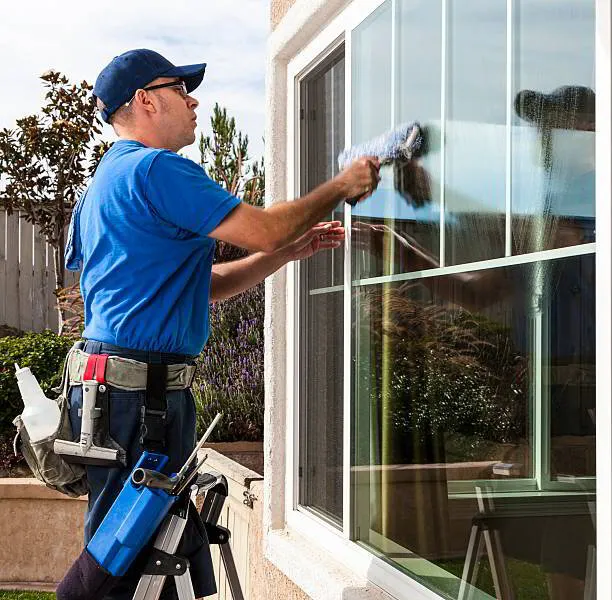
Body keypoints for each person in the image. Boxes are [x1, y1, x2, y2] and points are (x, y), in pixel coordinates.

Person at [63, 48, 380, 599]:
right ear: (144, 101)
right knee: (128, 553)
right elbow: (260, 228)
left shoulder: (101, 186)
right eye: (179, 89)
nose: (193, 101)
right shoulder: (157, 169)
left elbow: (195, 288)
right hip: (142, 400)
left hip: (113, 392)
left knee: (132, 542)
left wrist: (282, 255)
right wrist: (340, 186)